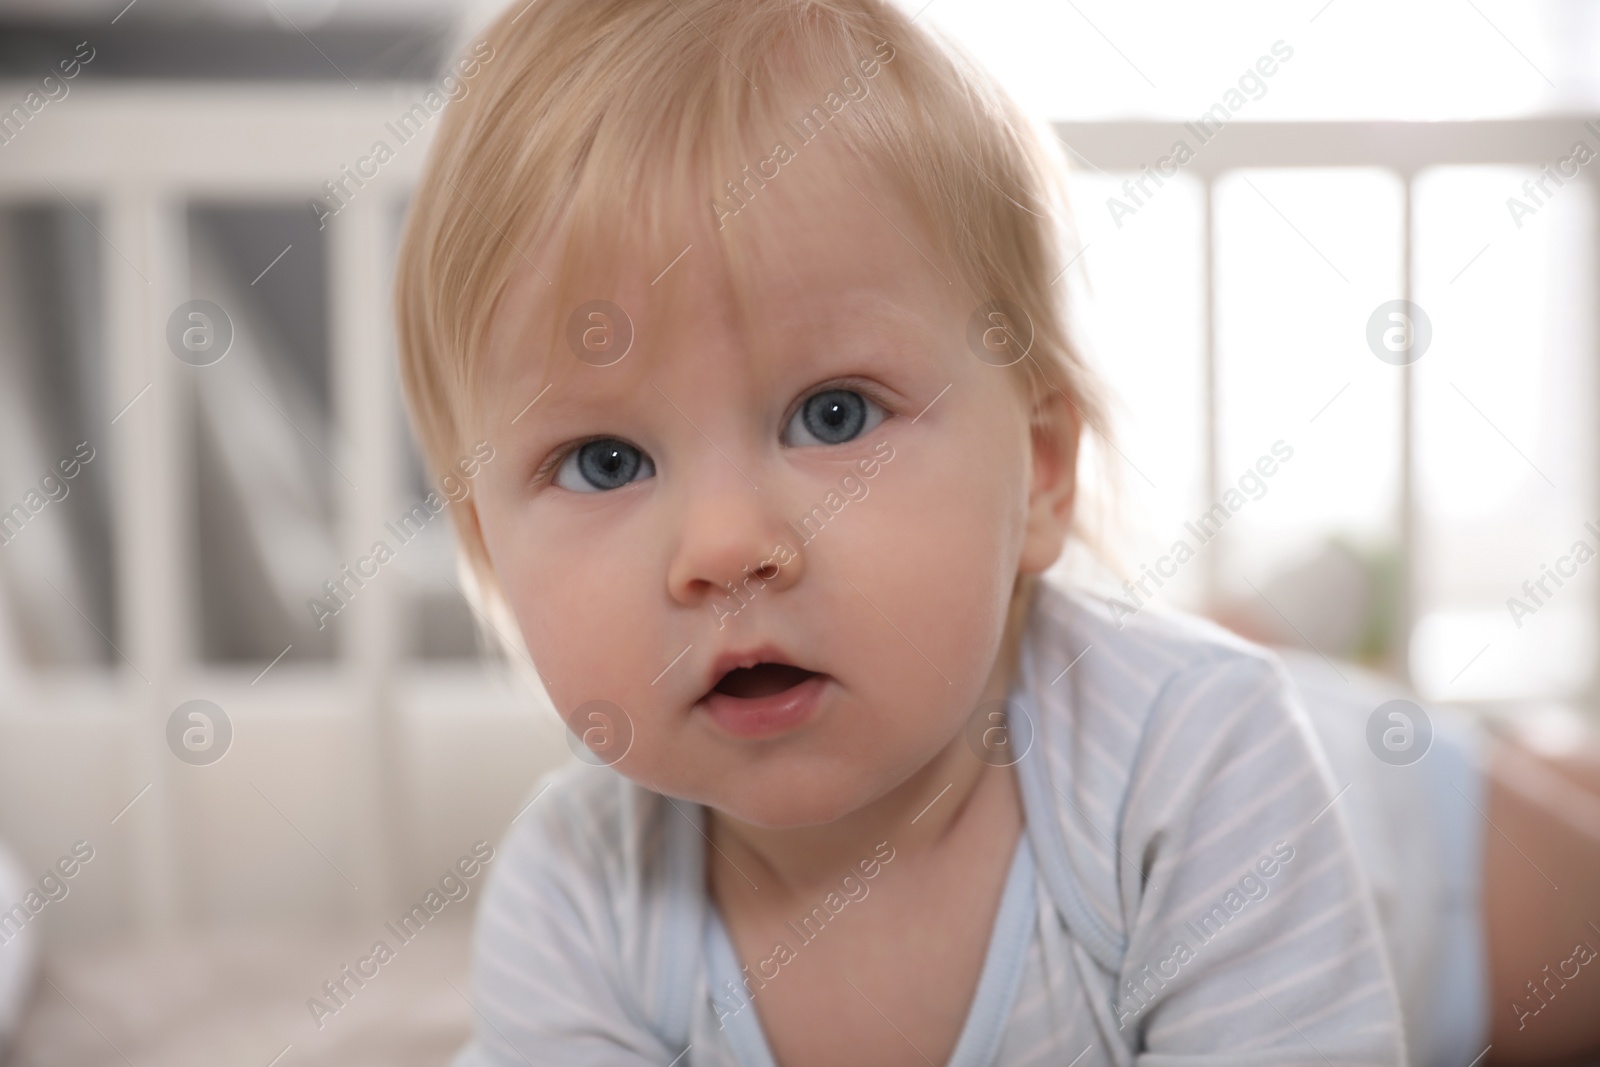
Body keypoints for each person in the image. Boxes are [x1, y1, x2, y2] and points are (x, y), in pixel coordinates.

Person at [391, 1, 1598, 1063]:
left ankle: (1324, 628)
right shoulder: (580, 904)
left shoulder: (1202, 766)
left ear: (1036, 471)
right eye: (606, 461)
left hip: (1403, 833)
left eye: (832, 413)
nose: (723, 544)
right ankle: (1300, 611)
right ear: (489, 550)